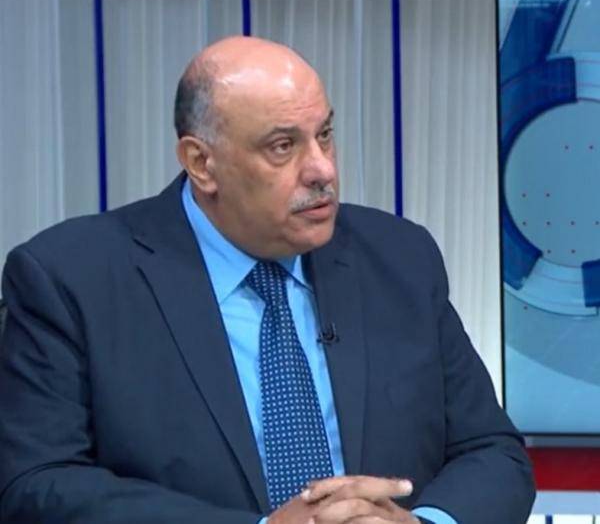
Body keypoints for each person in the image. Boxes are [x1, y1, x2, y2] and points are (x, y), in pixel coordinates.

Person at [0, 36, 534, 524]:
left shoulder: (399, 257)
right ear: (201, 163)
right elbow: (37, 484)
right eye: (283, 146)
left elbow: (492, 452)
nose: (322, 169)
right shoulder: (71, 279)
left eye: (325, 135)